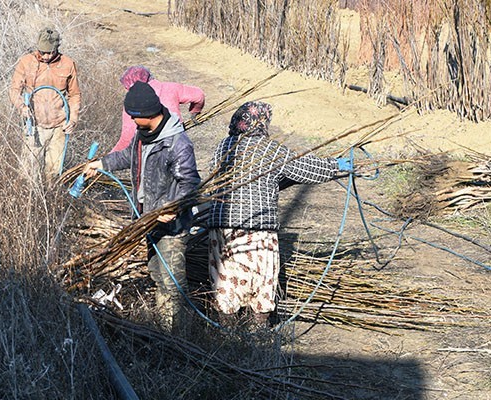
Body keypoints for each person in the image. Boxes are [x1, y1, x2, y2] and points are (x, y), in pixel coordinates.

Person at [206, 101, 353, 328]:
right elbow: (306, 168)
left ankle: (225, 333)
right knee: (261, 281)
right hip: (255, 229)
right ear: (261, 123)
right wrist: (336, 166)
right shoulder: (269, 149)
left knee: (227, 282)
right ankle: (258, 332)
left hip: (220, 227)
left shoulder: (222, 147)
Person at [84, 81, 201, 331]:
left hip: (172, 227)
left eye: (133, 117)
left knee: (173, 284)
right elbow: (127, 156)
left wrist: (172, 208)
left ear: (144, 115)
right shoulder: (143, 136)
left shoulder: (177, 144)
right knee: (158, 276)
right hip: (149, 220)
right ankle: (164, 328)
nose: (132, 121)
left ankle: (179, 337)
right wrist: (100, 165)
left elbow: (190, 184)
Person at [9, 26, 81, 177]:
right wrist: (22, 107)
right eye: (43, 52)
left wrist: (73, 119)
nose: (47, 56)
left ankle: (50, 198)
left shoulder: (67, 64)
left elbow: (74, 95)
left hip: (59, 127)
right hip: (34, 126)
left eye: (50, 52)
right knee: (29, 173)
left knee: (53, 173)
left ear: (57, 48)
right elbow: (14, 90)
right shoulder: (26, 62)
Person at [110, 65, 205, 152]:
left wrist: (107, 159)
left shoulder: (134, 103)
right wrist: (195, 111)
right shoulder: (171, 88)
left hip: (153, 148)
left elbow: (127, 139)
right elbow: (198, 95)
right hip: (178, 139)